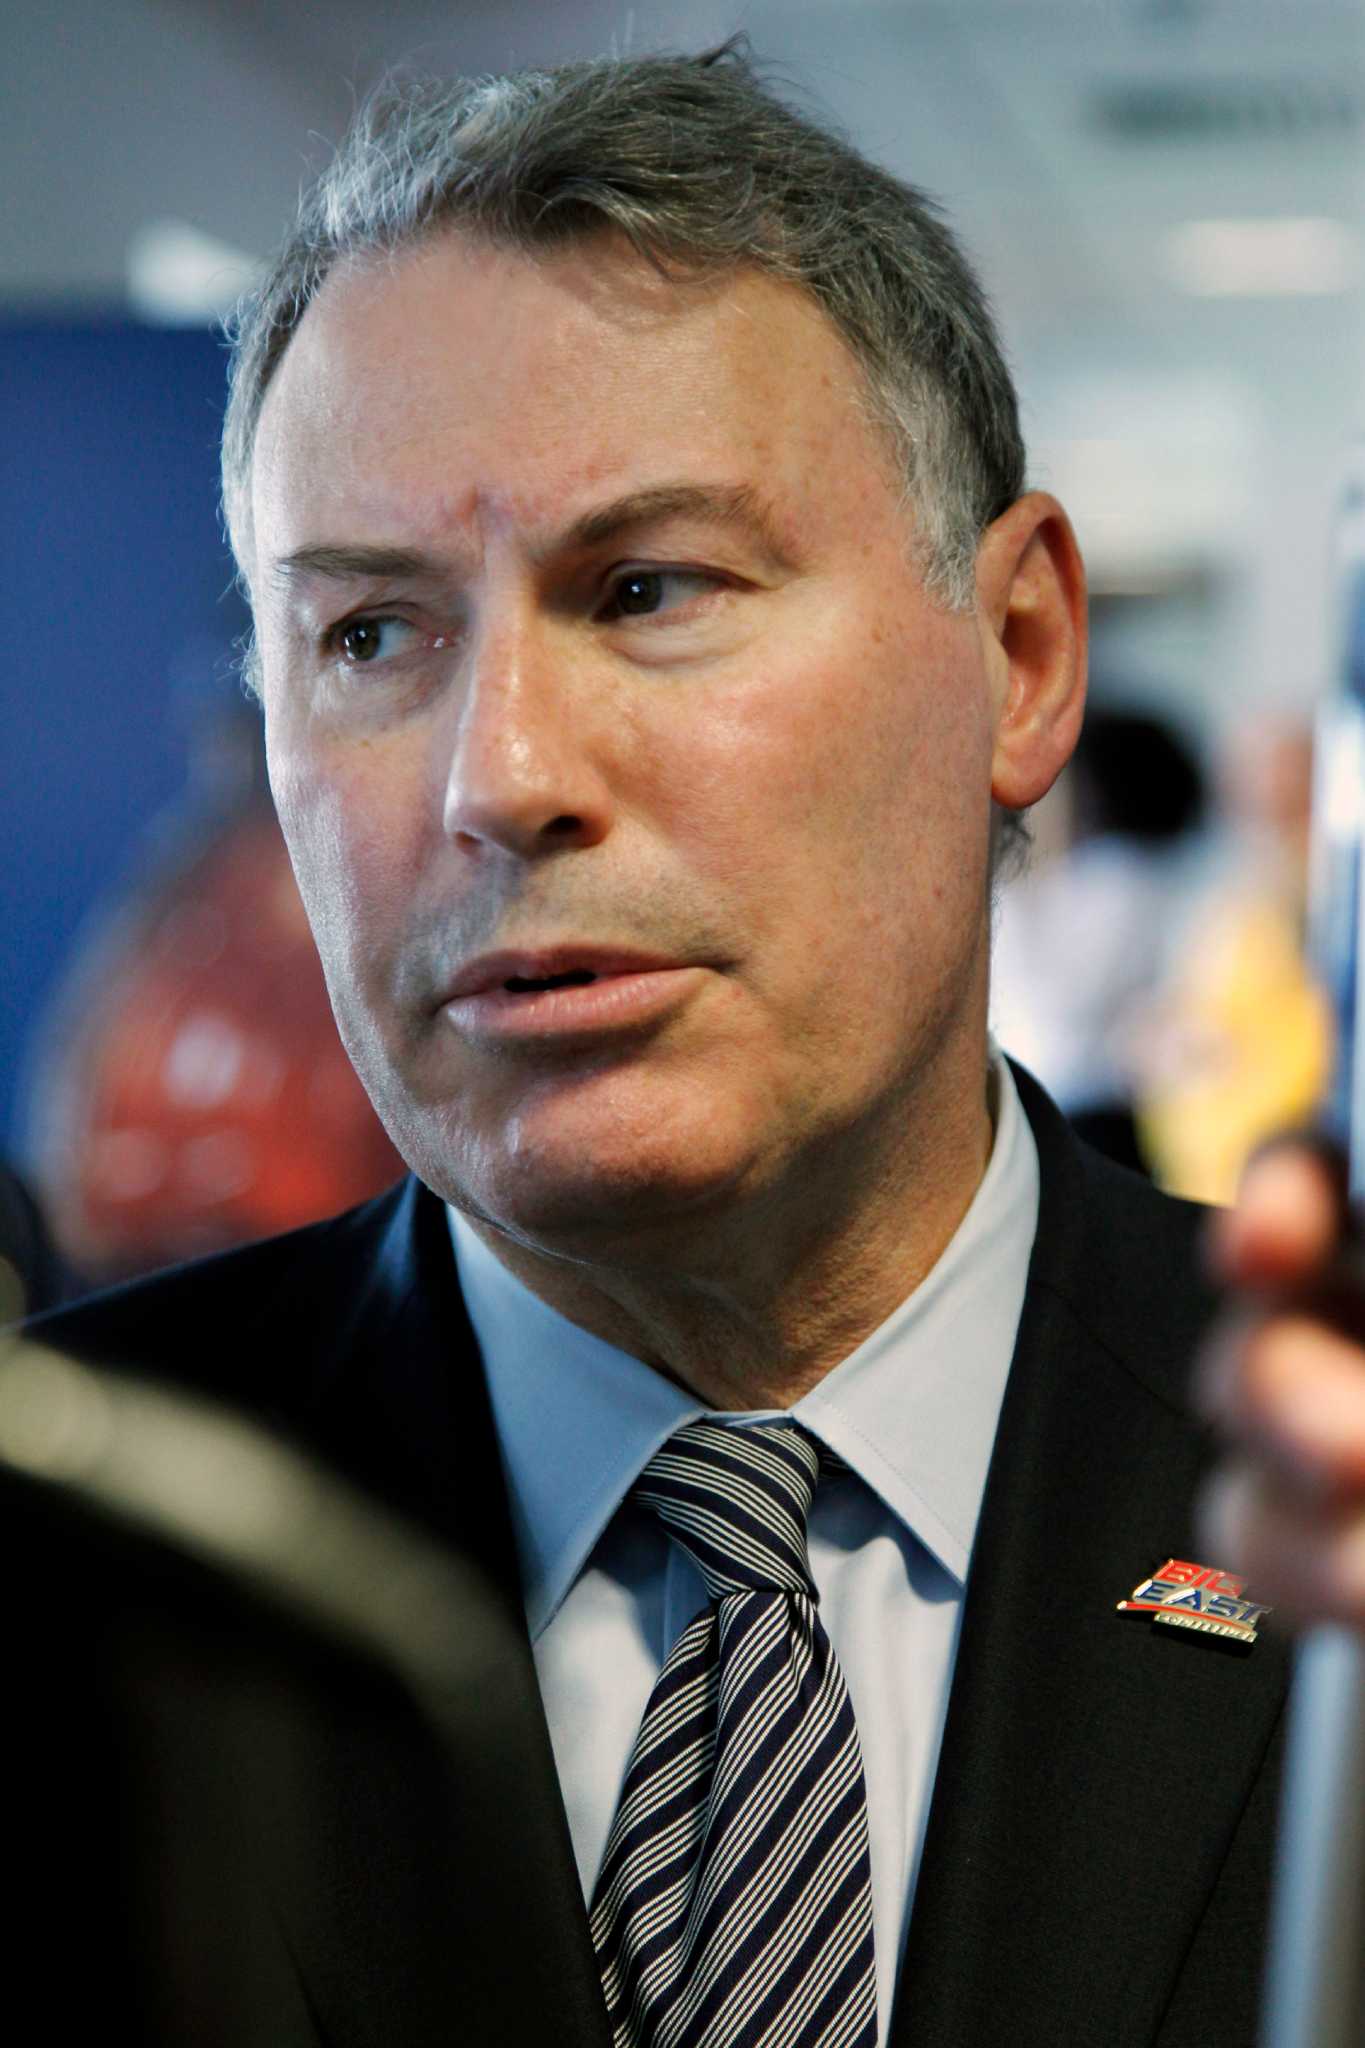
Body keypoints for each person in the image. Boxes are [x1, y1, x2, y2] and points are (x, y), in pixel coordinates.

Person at [24, 41, 1351, 2047]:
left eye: (647, 589)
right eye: (369, 634)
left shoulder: (1321, 1477)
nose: (499, 777)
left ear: (1016, 657)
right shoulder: (73, 1561)